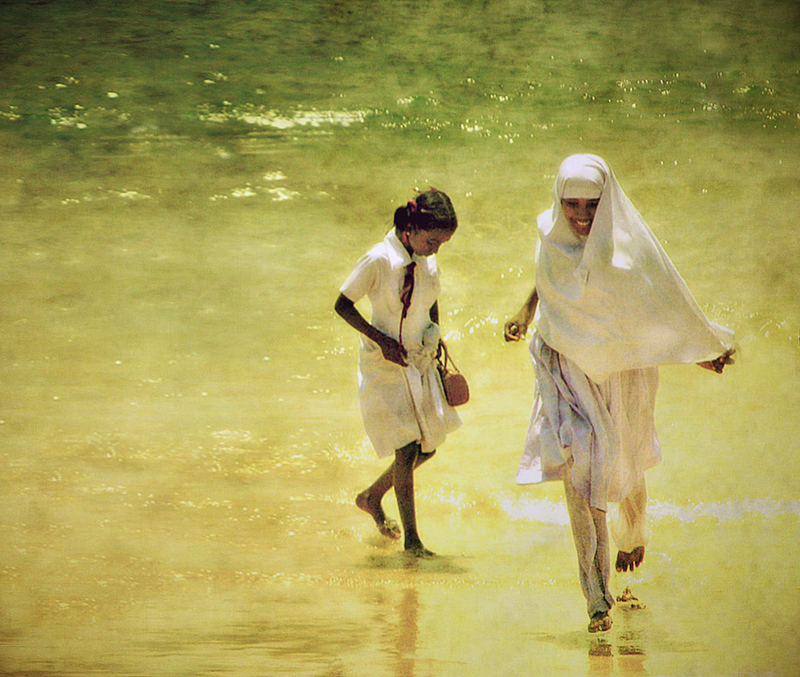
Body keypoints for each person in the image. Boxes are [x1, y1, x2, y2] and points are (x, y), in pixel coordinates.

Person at [504, 155, 734, 632]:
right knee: (580, 469)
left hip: (623, 371)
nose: (582, 216)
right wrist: (526, 312)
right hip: (567, 368)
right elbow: (553, 281)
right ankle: (596, 597)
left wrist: (700, 350)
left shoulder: (625, 249)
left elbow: (662, 302)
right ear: (559, 200)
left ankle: (633, 532)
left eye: (592, 205)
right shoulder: (550, 235)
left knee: (623, 460)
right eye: (572, 205)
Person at [335, 188, 461, 558]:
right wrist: (381, 341)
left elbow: (431, 300)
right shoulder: (378, 260)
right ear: (411, 227)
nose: (436, 248)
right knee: (406, 449)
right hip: (383, 364)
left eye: (442, 243)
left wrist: (437, 339)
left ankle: (372, 497)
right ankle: (413, 542)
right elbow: (343, 305)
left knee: (428, 446)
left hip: (418, 360)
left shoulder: (427, 261)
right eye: (432, 240)